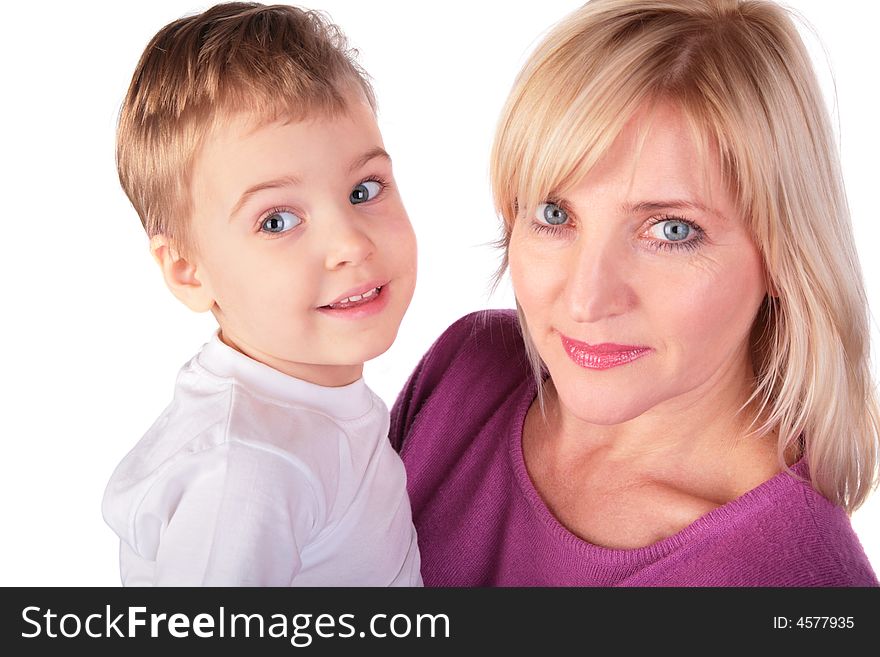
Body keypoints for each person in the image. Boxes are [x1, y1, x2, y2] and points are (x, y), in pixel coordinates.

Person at [391, 0, 879, 586]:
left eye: (672, 231)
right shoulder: (466, 372)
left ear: (782, 256)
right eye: (554, 213)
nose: (586, 300)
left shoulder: (793, 579)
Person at [102, 2, 420, 586]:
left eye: (364, 189)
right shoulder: (248, 469)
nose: (349, 242)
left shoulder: (307, 408)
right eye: (277, 220)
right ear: (188, 271)